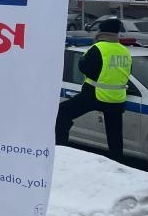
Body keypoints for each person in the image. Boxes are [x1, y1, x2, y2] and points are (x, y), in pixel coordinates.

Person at [55, 18, 131, 160]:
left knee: (63, 113)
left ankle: (60, 149)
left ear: (102, 32)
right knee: (115, 134)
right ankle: (117, 161)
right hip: (117, 98)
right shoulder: (124, 51)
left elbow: (85, 67)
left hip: (95, 94)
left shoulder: (98, 48)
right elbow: (127, 72)